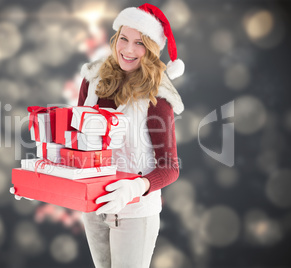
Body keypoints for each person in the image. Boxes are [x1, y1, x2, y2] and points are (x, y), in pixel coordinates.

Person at [77, 3, 185, 268]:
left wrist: (134, 187)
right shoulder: (93, 81)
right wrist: (46, 182)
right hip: (92, 208)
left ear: (150, 49)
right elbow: (76, 142)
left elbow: (170, 168)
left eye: (139, 43)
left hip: (135, 214)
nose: (127, 49)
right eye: (123, 38)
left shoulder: (158, 97)